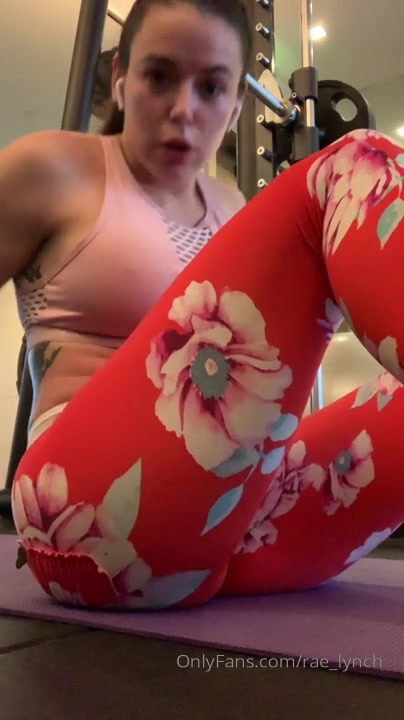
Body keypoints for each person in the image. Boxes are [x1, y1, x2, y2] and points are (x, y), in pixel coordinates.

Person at [2, 0, 404, 610]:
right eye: (159, 76)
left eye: (212, 87)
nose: (184, 109)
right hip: (82, 507)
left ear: (236, 105)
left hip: (225, 526)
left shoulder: (232, 207)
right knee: (352, 164)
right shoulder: (53, 169)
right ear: (120, 78)